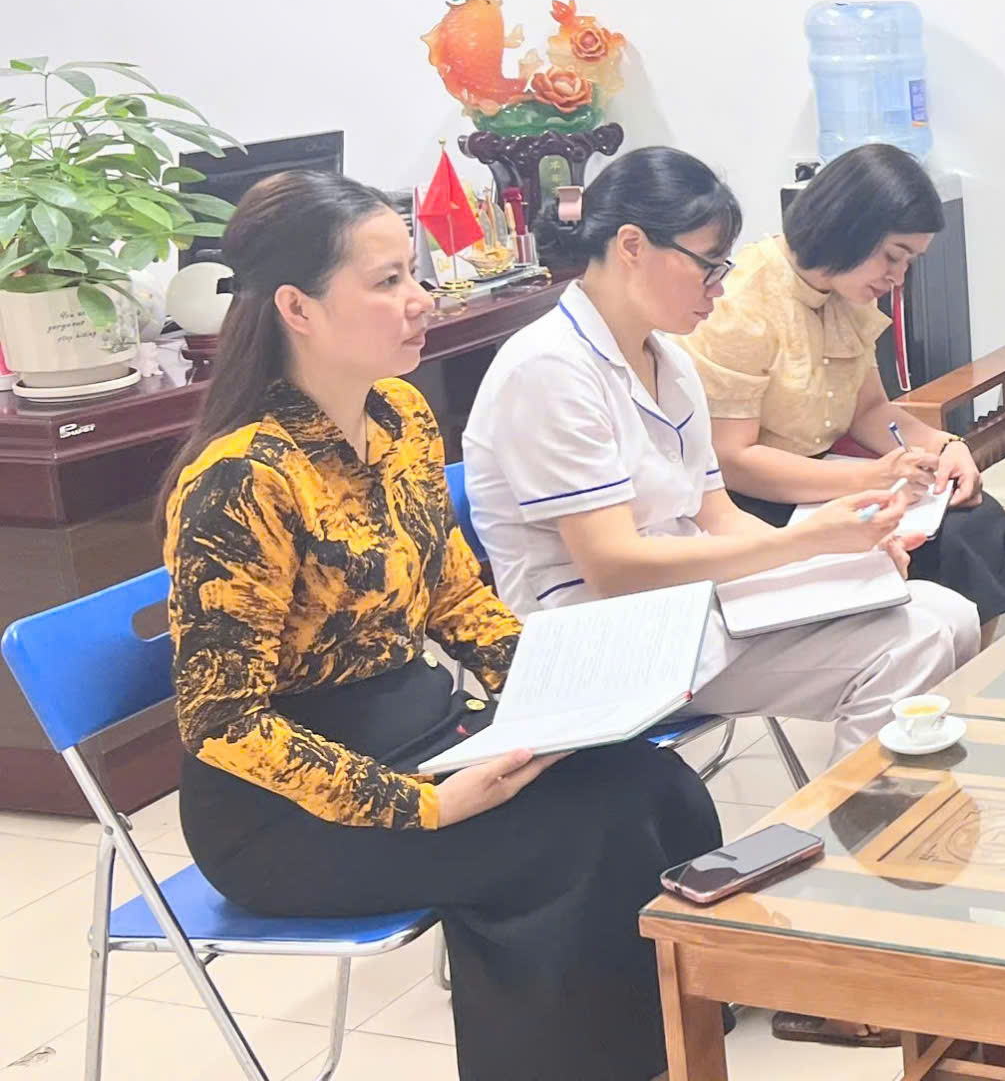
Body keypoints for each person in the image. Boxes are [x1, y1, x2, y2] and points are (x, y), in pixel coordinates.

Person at [162, 172, 719, 1081]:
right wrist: (419, 806)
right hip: (286, 811)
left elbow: (456, 597)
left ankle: (681, 1043)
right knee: (568, 844)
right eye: (387, 282)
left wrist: (568, 697)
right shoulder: (242, 480)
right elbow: (223, 722)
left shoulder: (402, 418)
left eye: (413, 273)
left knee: (647, 784)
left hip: (421, 732)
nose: (420, 298)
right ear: (298, 309)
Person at [463, 147, 981, 764]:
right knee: (912, 644)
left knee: (952, 615)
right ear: (632, 246)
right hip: (598, 638)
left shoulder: (668, 361)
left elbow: (719, 515)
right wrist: (809, 544)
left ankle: (892, 808)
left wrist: (839, 556)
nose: (719, 287)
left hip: (684, 604)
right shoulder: (549, 368)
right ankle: (860, 820)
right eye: (708, 266)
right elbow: (614, 568)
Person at [683, 142, 1005, 627]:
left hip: (829, 478)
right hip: (757, 501)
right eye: (893, 257)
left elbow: (869, 410)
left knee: (975, 521)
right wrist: (872, 479)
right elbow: (734, 461)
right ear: (848, 229)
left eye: (909, 261)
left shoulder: (847, 292)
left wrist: (946, 445)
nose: (898, 278)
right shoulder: (742, 302)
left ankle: (967, 669)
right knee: (934, 547)